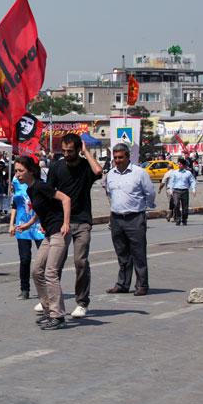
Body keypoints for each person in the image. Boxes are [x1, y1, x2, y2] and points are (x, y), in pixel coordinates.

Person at [45, 133, 103, 319]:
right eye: (64, 150)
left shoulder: (86, 166)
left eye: (70, 151)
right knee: (56, 263)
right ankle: (52, 301)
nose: (66, 154)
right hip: (62, 222)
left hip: (83, 220)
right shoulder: (56, 167)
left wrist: (87, 153)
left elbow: (98, 172)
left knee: (81, 261)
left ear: (78, 150)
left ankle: (82, 302)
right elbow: (49, 194)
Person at [14, 155, 71, 330]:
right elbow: (41, 208)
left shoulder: (41, 186)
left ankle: (57, 315)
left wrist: (66, 223)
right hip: (48, 234)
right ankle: (48, 310)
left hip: (58, 233)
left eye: (21, 171)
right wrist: (29, 223)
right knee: (37, 271)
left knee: (50, 273)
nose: (17, 175)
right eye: (16, 171)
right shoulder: (30, 189)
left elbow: (65, 199)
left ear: (31, 171)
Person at [105, 143, 156, 296]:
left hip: (135, 217)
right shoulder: (111, 174)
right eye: (115, 158)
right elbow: (110, 194)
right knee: (122, 254)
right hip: (116, 218)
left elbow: (150, 193)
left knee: (138, 253)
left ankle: (142, 285)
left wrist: (144, 207)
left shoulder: (139, 173)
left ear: (128, 157)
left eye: (121, 157)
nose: (118, 160)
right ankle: (122, 284)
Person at [9, 176, 44, 300]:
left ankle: (45, 288)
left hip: (39, 225)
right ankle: (24, 289)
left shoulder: (41, 183)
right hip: (22, 225)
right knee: (24, 259)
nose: (18, 174)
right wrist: (11, 224)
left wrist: (44, 223)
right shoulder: (18, 184)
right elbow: (15, 205)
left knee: (44, 259)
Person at [169, 157, 197, 226]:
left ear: (184, 165)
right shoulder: (175, 173)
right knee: (176, 205)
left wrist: (193, 189)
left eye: (181, 164)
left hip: (185, 191)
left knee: (185, 206)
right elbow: (171, 181)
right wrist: (171, 190)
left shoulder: (188, 173)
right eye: (179, 164)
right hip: (176, 190)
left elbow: (192, 181)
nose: (179, 165)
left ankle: (184, 219)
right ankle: (177, 218)